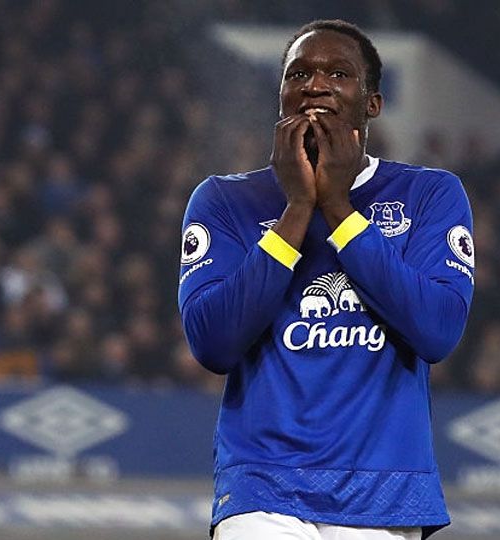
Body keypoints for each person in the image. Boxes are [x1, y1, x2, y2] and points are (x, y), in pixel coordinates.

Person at [177, 19, 474, 540]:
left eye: (339, 73)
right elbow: (213, 344)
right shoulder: (224, 200)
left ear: (372, 103)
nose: (315, 85)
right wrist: (297, 208)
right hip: (262, 487)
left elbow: (437, 331)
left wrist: (337, 207)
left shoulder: (430, 194)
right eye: (299, 75)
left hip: (384, 491)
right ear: (282, 98)